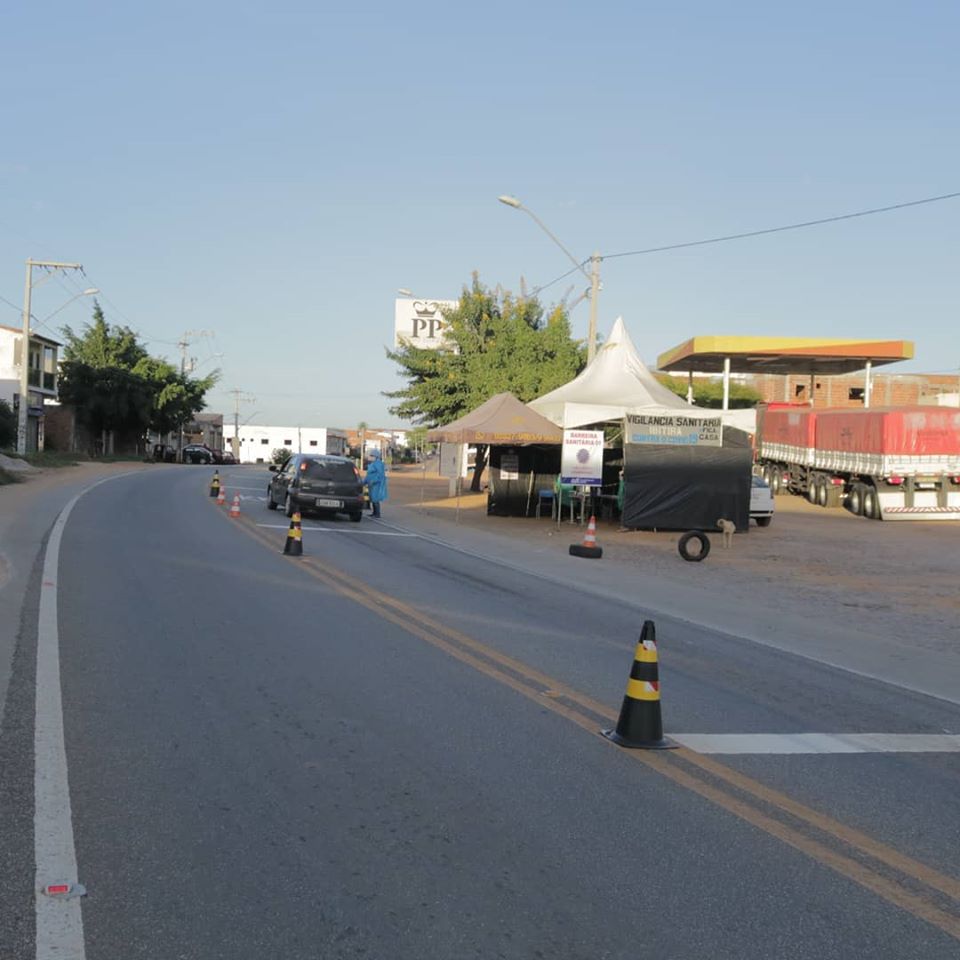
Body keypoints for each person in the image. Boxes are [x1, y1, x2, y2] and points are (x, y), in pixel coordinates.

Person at [364, 449, 388, 518]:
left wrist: (374, 481)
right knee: (372, 498)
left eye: (372, 456)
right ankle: (374, 512)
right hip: (371, 484)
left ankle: (377, 513)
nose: (370, 457)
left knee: (375, 498)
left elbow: (380, 475)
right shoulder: (372, 464)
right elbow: (368, 474)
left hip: (376, 485)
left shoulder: (378, 464)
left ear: (376, 456)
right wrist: (364, 481)